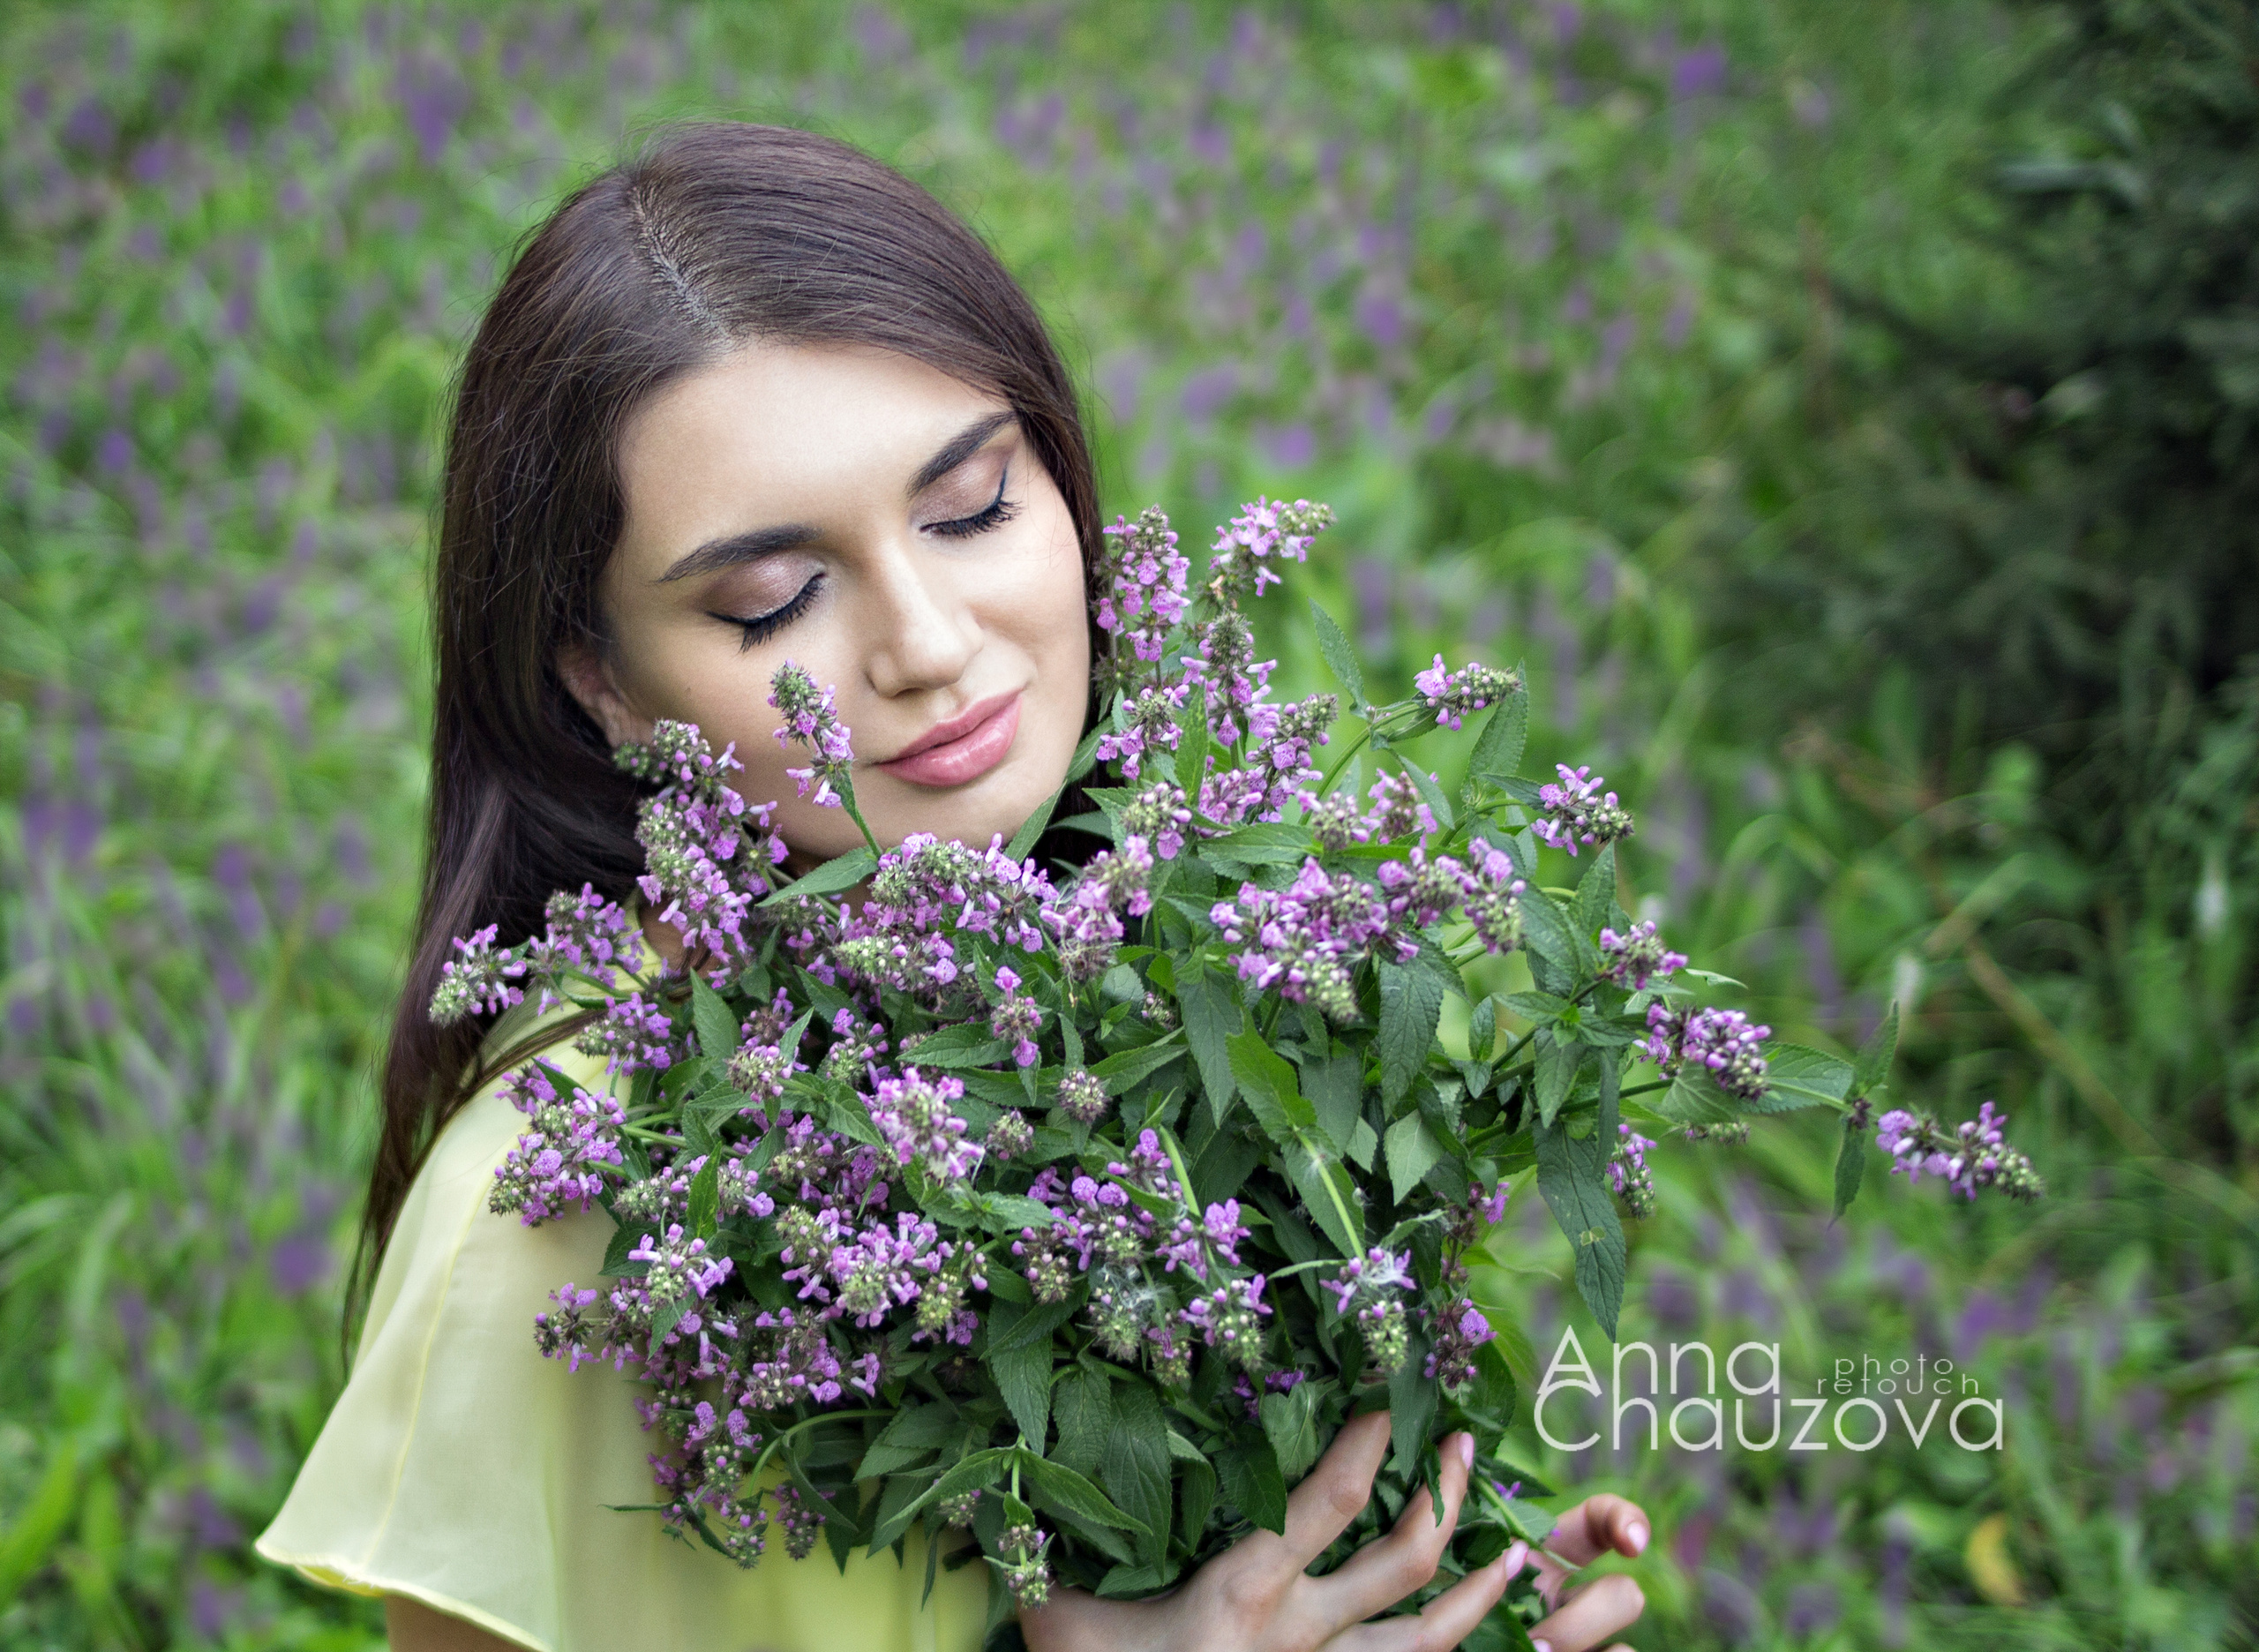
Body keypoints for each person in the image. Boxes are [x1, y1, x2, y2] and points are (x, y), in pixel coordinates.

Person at [255, 122, 1653, 1652]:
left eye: (974, 506)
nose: (926, 643)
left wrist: (1446, 1569)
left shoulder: (1170, 947)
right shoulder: (569, 1208)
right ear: (602, 681)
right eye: (773, 597)